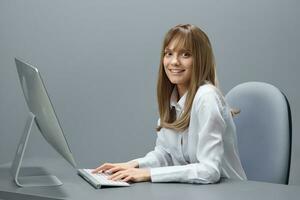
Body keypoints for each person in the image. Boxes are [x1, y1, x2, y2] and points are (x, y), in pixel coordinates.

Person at [92, 24, 247, 184]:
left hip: (228, 192)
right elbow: (165, 154)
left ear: (201, 60)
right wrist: (133, 165)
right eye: (169, 53)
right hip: (197, 192)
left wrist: (148, 173)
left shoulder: (207, 97)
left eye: (185, 54)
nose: (174, 62)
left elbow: (209, 171)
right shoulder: (173, 101)